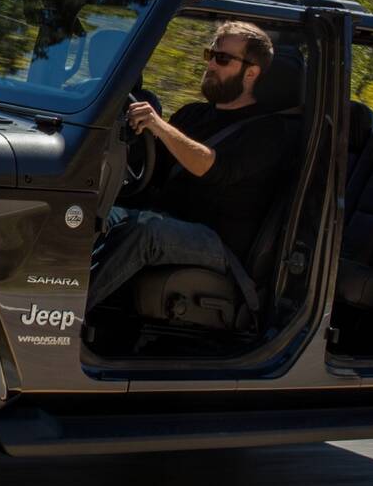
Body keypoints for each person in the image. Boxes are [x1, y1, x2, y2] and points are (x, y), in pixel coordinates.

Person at [85, 20, 299, 314]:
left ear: (251, 73)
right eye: (209, 54)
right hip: (166, 218)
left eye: (222, 59)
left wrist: (159, 126)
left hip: (217, 243)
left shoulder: (268, 133)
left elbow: (212, 167)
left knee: (145, 231)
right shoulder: (192, 114)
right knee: (90, 215)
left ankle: (64, 319)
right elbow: (152, 170)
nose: (211, 64)